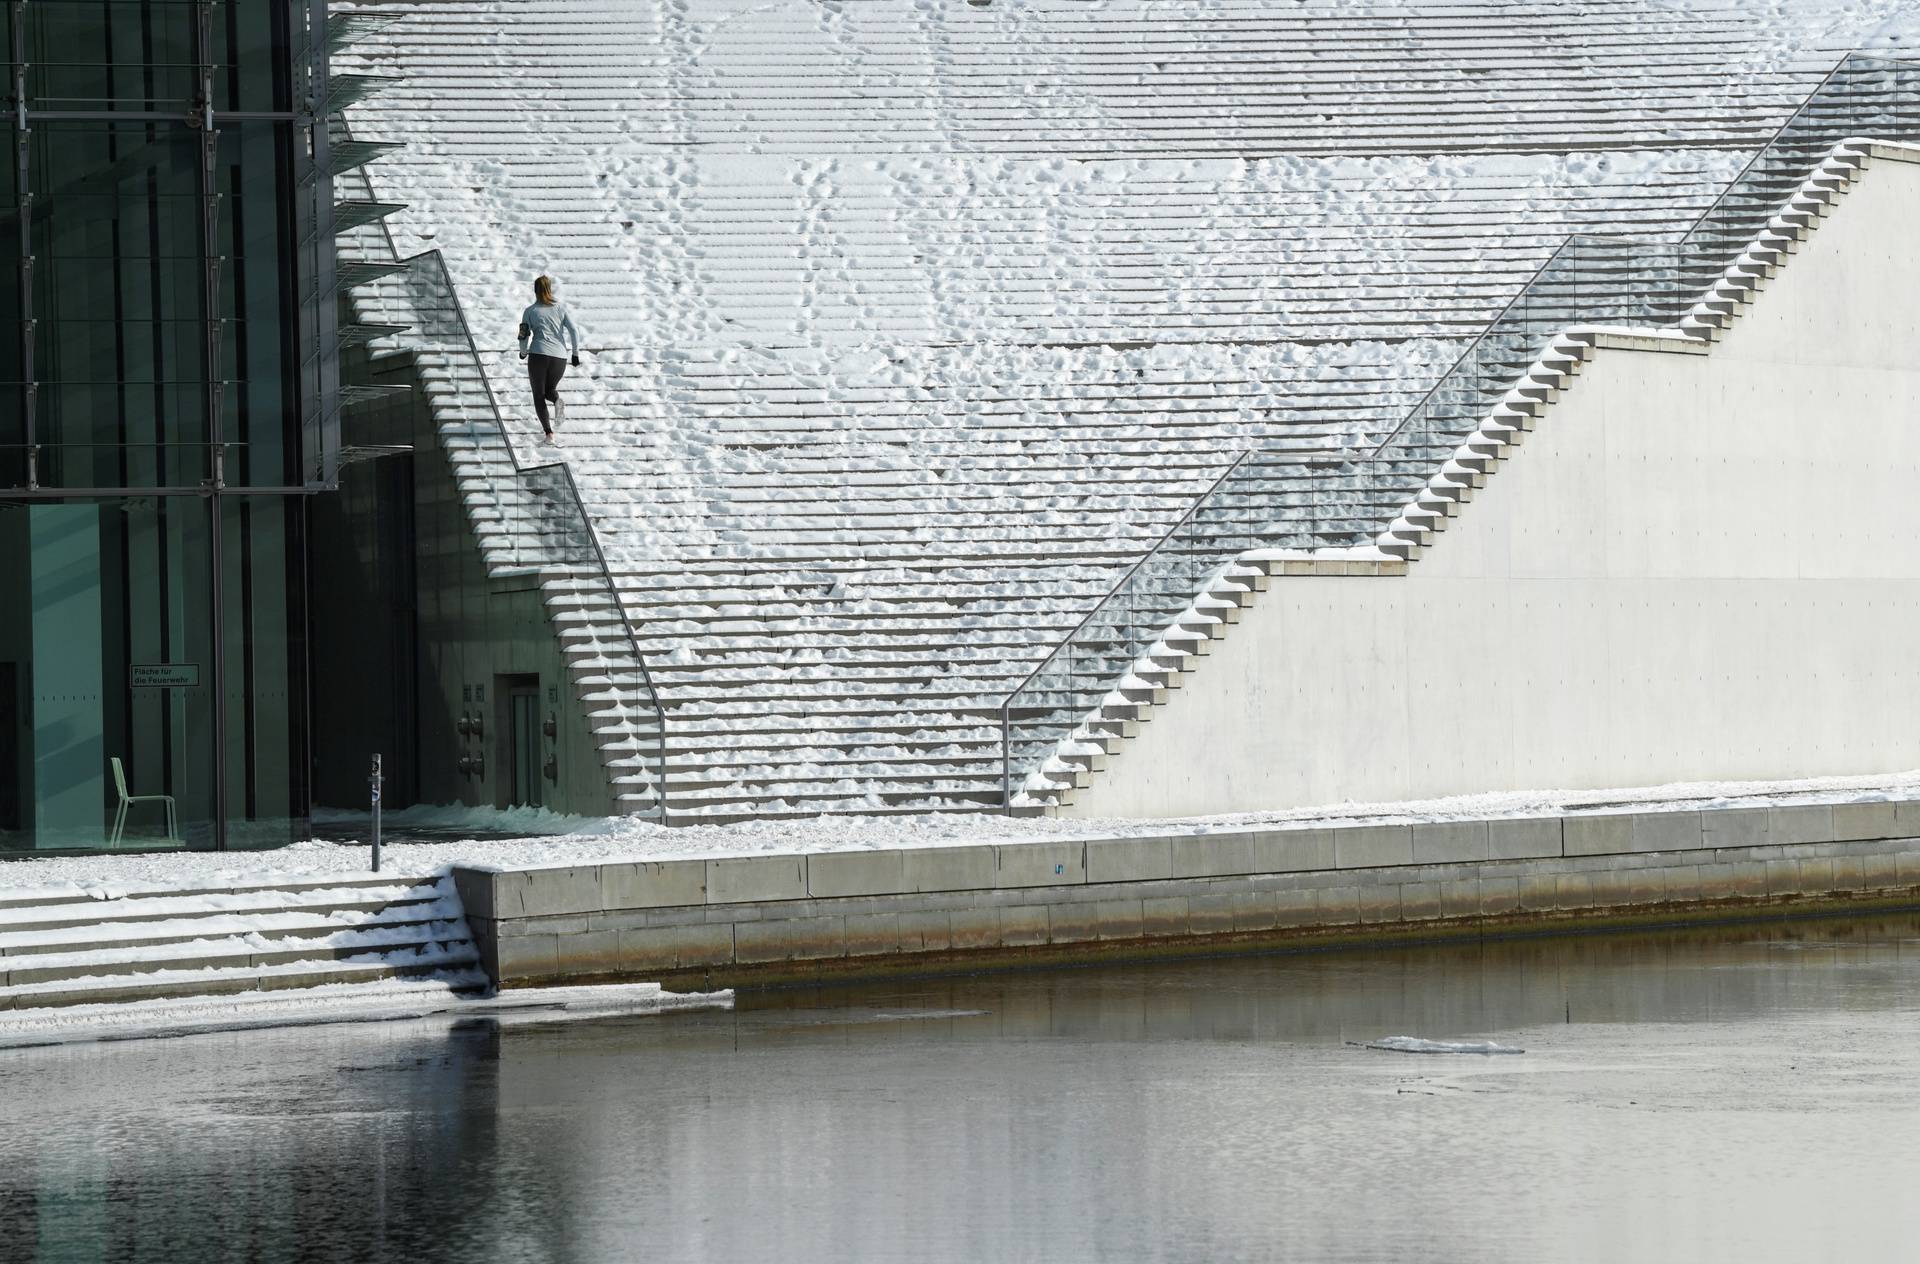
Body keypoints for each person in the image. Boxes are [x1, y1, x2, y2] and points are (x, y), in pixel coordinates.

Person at [517, 275, 581, 441]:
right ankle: (557, 400)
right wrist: (575, 354)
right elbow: (574, 331)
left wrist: (523, 352)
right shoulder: (560, 308)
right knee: (549, 391)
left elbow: (523, 335)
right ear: (549, 289)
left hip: (538, 355)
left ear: (535, 290)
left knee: (539, 395)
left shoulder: (530, 311)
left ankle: (549, 434)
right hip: (560, 357)